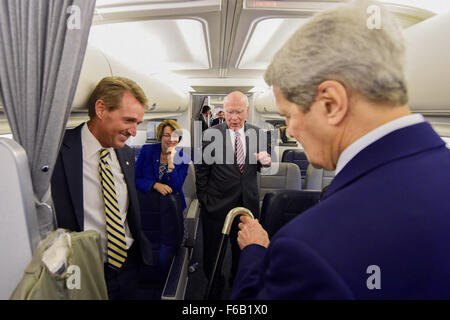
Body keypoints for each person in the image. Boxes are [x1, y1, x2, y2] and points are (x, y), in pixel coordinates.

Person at [231, 0, 450, 300]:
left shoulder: (308, 249)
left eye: (288, 115)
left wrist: (256, 253)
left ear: (331, 104)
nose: (290, 130)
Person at [51, 76, 153, 300]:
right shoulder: (57, 152)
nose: (134, 131)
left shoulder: (126, 154)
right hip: (83, 269)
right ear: (100, 109)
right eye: (128, 120)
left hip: (127, 265)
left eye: (138, 123)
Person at [196, 91, 272, 296]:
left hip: (247, 203)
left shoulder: (258, 134)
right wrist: (204, 199)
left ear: (247, 111)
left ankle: (237, 283)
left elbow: (262, 164)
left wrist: (266, 162)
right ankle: (215, 286)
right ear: (224, 111)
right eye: (230, 112)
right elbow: (201, 170)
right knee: (213, 252)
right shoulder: (210, 135)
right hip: (216, 204)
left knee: (243, 251)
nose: (234, 117)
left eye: (239, 112)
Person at [135, 119, 190, 211]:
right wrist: (154, 185)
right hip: (148, 205)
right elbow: (135, 178)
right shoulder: (147, 151)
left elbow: (176, 187)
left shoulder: (184, 158)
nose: (171, 139)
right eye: (167, 135)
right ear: (160, 136)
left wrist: (170, 161)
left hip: (172, 207)